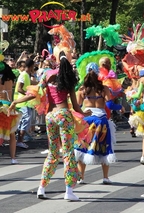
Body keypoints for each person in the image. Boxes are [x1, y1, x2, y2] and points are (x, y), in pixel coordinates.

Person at [8, 51, 91, 201]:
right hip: (64, 114)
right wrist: (85, 113)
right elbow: (76, 107)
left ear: (57, 60)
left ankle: (41, 188)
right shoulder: (69, 78)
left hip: (50, 116)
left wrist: (16, 102)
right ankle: (69, 191)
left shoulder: (47, 75)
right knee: (68, 153)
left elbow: (35, 93)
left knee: (52, 153)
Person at [75, 62, 122, 185]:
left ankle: (81, 177)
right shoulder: (104, 88)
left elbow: (76, 107)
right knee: (104, 147)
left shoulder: (82, 90)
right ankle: (105, 177)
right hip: (101, 120)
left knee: (83, 147)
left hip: (87, 120)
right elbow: (110, 104)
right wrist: (120, 106)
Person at [0, 60, 21, 164]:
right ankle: (13, 158)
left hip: (0, 106)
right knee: (12, 134)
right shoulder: (11, 79)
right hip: (9, 106)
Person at [13, 58, 36, 149]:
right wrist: (28, 95)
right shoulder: (23, 74)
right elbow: (19, 88)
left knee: (23, 122)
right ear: (30, 66)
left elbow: (31, 83)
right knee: (24, 121)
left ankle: (19, 140)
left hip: (24, 102)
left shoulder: (26, 75)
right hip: (22, 102)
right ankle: (20, 141)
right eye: (33, 66)